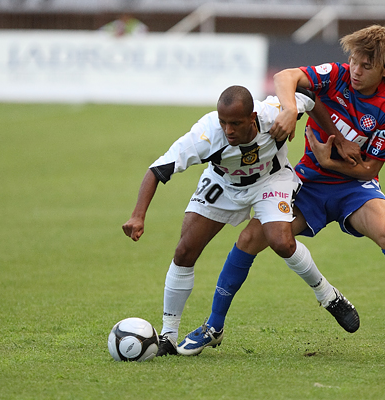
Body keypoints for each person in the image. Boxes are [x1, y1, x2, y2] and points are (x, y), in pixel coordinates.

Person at [181, 25, 385, 356]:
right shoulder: (335, 76)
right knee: (250, 238)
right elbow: (285, 76)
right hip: (307, 183)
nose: (356, 70)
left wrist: (330, 161)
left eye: (366, 65)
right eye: (354, 61)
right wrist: (291, 108)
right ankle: (213, 327)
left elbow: (369, 170)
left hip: (355, 188)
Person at [122, 85, 359, 357]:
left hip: (270, 179)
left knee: (281, 241)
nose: (228, 130)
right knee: (184, 251)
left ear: (252, 117)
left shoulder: (274, 115)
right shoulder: (207, 133)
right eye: (223, 122)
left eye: (235, 123)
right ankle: (168, 336)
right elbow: (157, 170)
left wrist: (334, 136)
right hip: (223, 184)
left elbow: (309, 94)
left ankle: (328, 296)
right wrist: (138, 215)